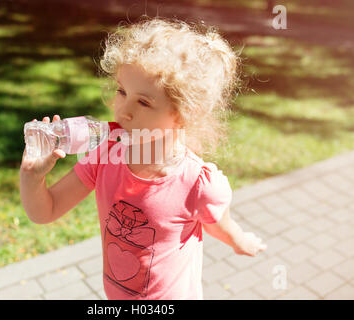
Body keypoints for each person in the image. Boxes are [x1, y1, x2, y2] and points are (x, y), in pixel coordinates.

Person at [20, 16, 267, 300]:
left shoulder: (197, 184)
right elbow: (45, 211)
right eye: (122, 92)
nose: (123, 111)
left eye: (144, 102)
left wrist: (241, 241)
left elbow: (220, 226)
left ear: (184, 114)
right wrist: (32, 177)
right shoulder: (104, 156)